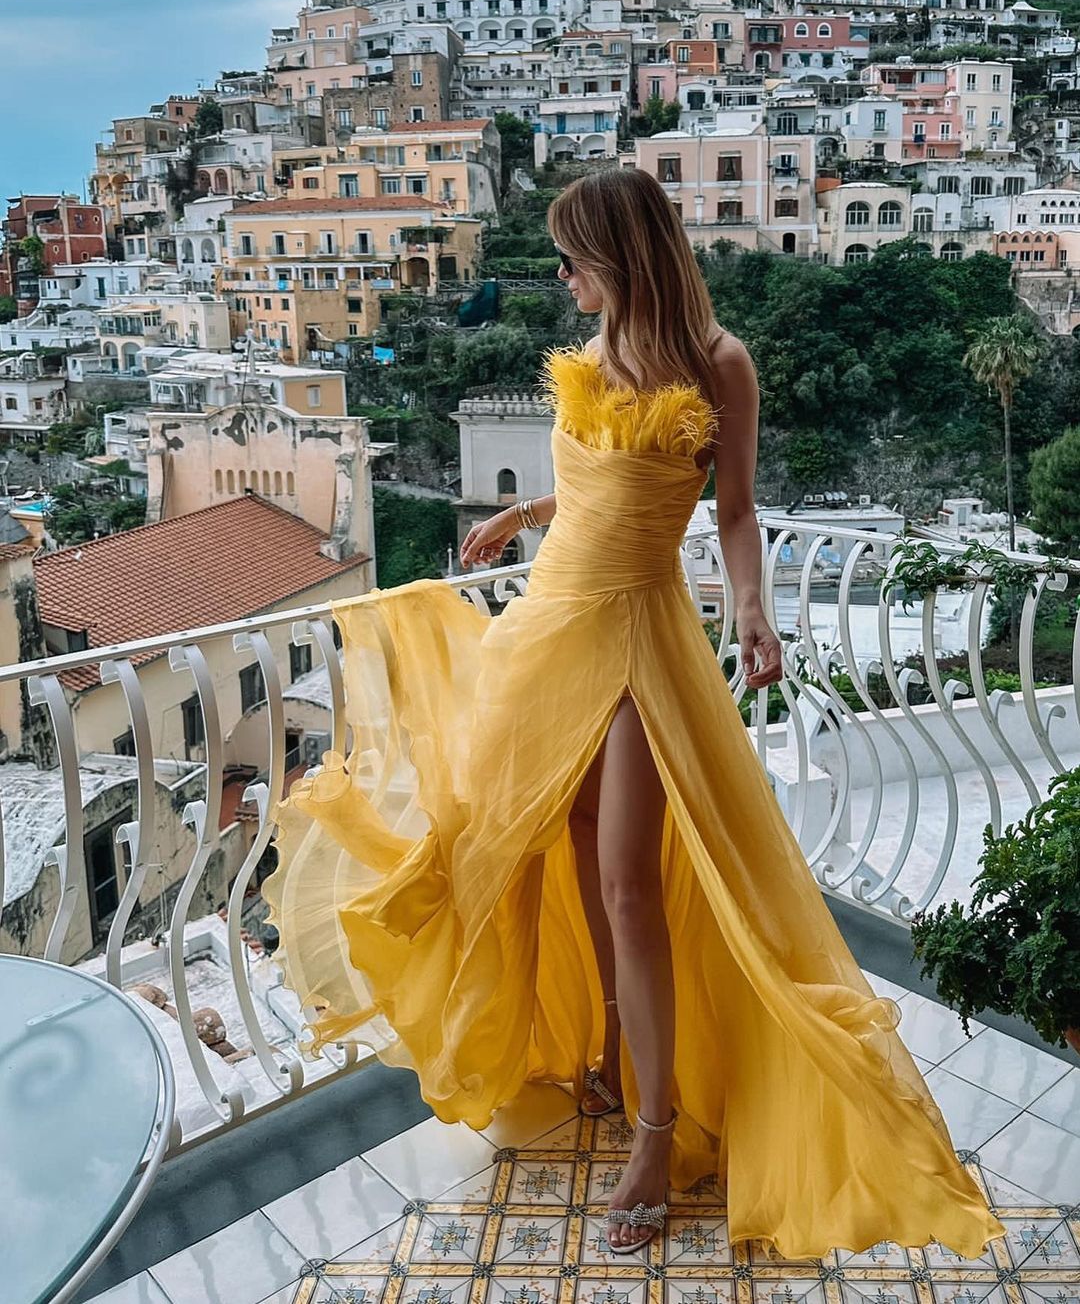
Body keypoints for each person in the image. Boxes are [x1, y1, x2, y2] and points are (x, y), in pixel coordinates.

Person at [261, 168, 1007, 1262]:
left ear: (623, 257)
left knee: (627, 877)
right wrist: (522, 509)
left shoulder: (721, 364)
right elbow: (605, 483)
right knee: (549, 842)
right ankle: (611, 1045)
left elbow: (734, 510)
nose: (560, 277)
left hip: (641, 637)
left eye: (573, 259)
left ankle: (656, 1129)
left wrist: (752, 608)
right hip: (551, 624)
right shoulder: (596, 359)